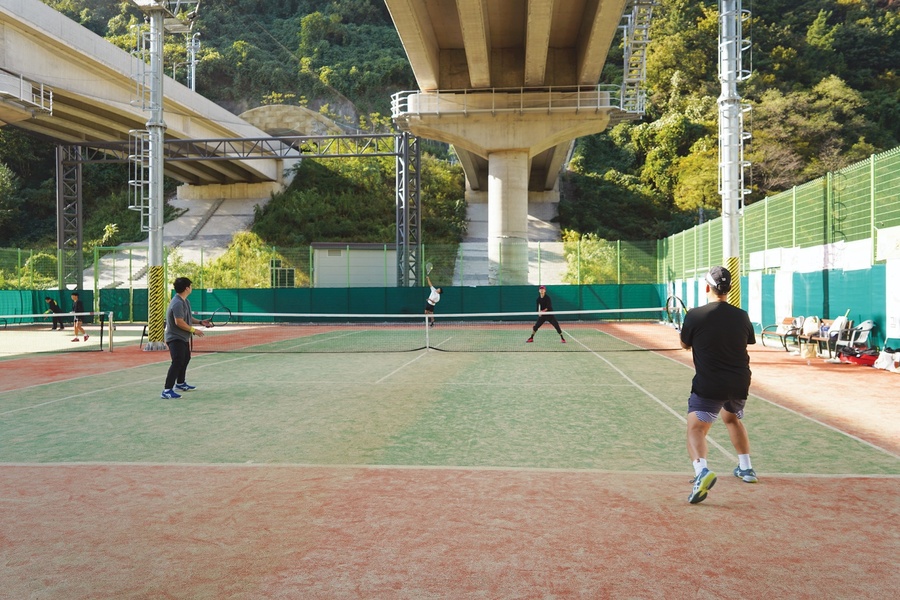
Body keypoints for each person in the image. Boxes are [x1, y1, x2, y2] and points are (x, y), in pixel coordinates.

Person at [680, 266, 758, 505]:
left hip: (709, 384)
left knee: (696, 428)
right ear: (729, 289)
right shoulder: (742, 315)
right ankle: (746, 469)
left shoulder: (694, 315)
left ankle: (701, 472)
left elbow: (685, 345)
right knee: (731, 418)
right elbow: (747, 341)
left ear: (706, 287)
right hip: (739, 382)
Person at [161, 277, 210, 399]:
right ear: (187, 288)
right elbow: (179, 322)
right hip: (174, 338)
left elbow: (186, 318)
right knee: (177, 362)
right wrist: (194, 330)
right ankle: (167, 390)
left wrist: (200, 322)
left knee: (186, 358)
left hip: (183, 337)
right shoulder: (177, 303)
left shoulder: (185, 301)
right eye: (191, 286)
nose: (191, 288)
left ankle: (180, 383)